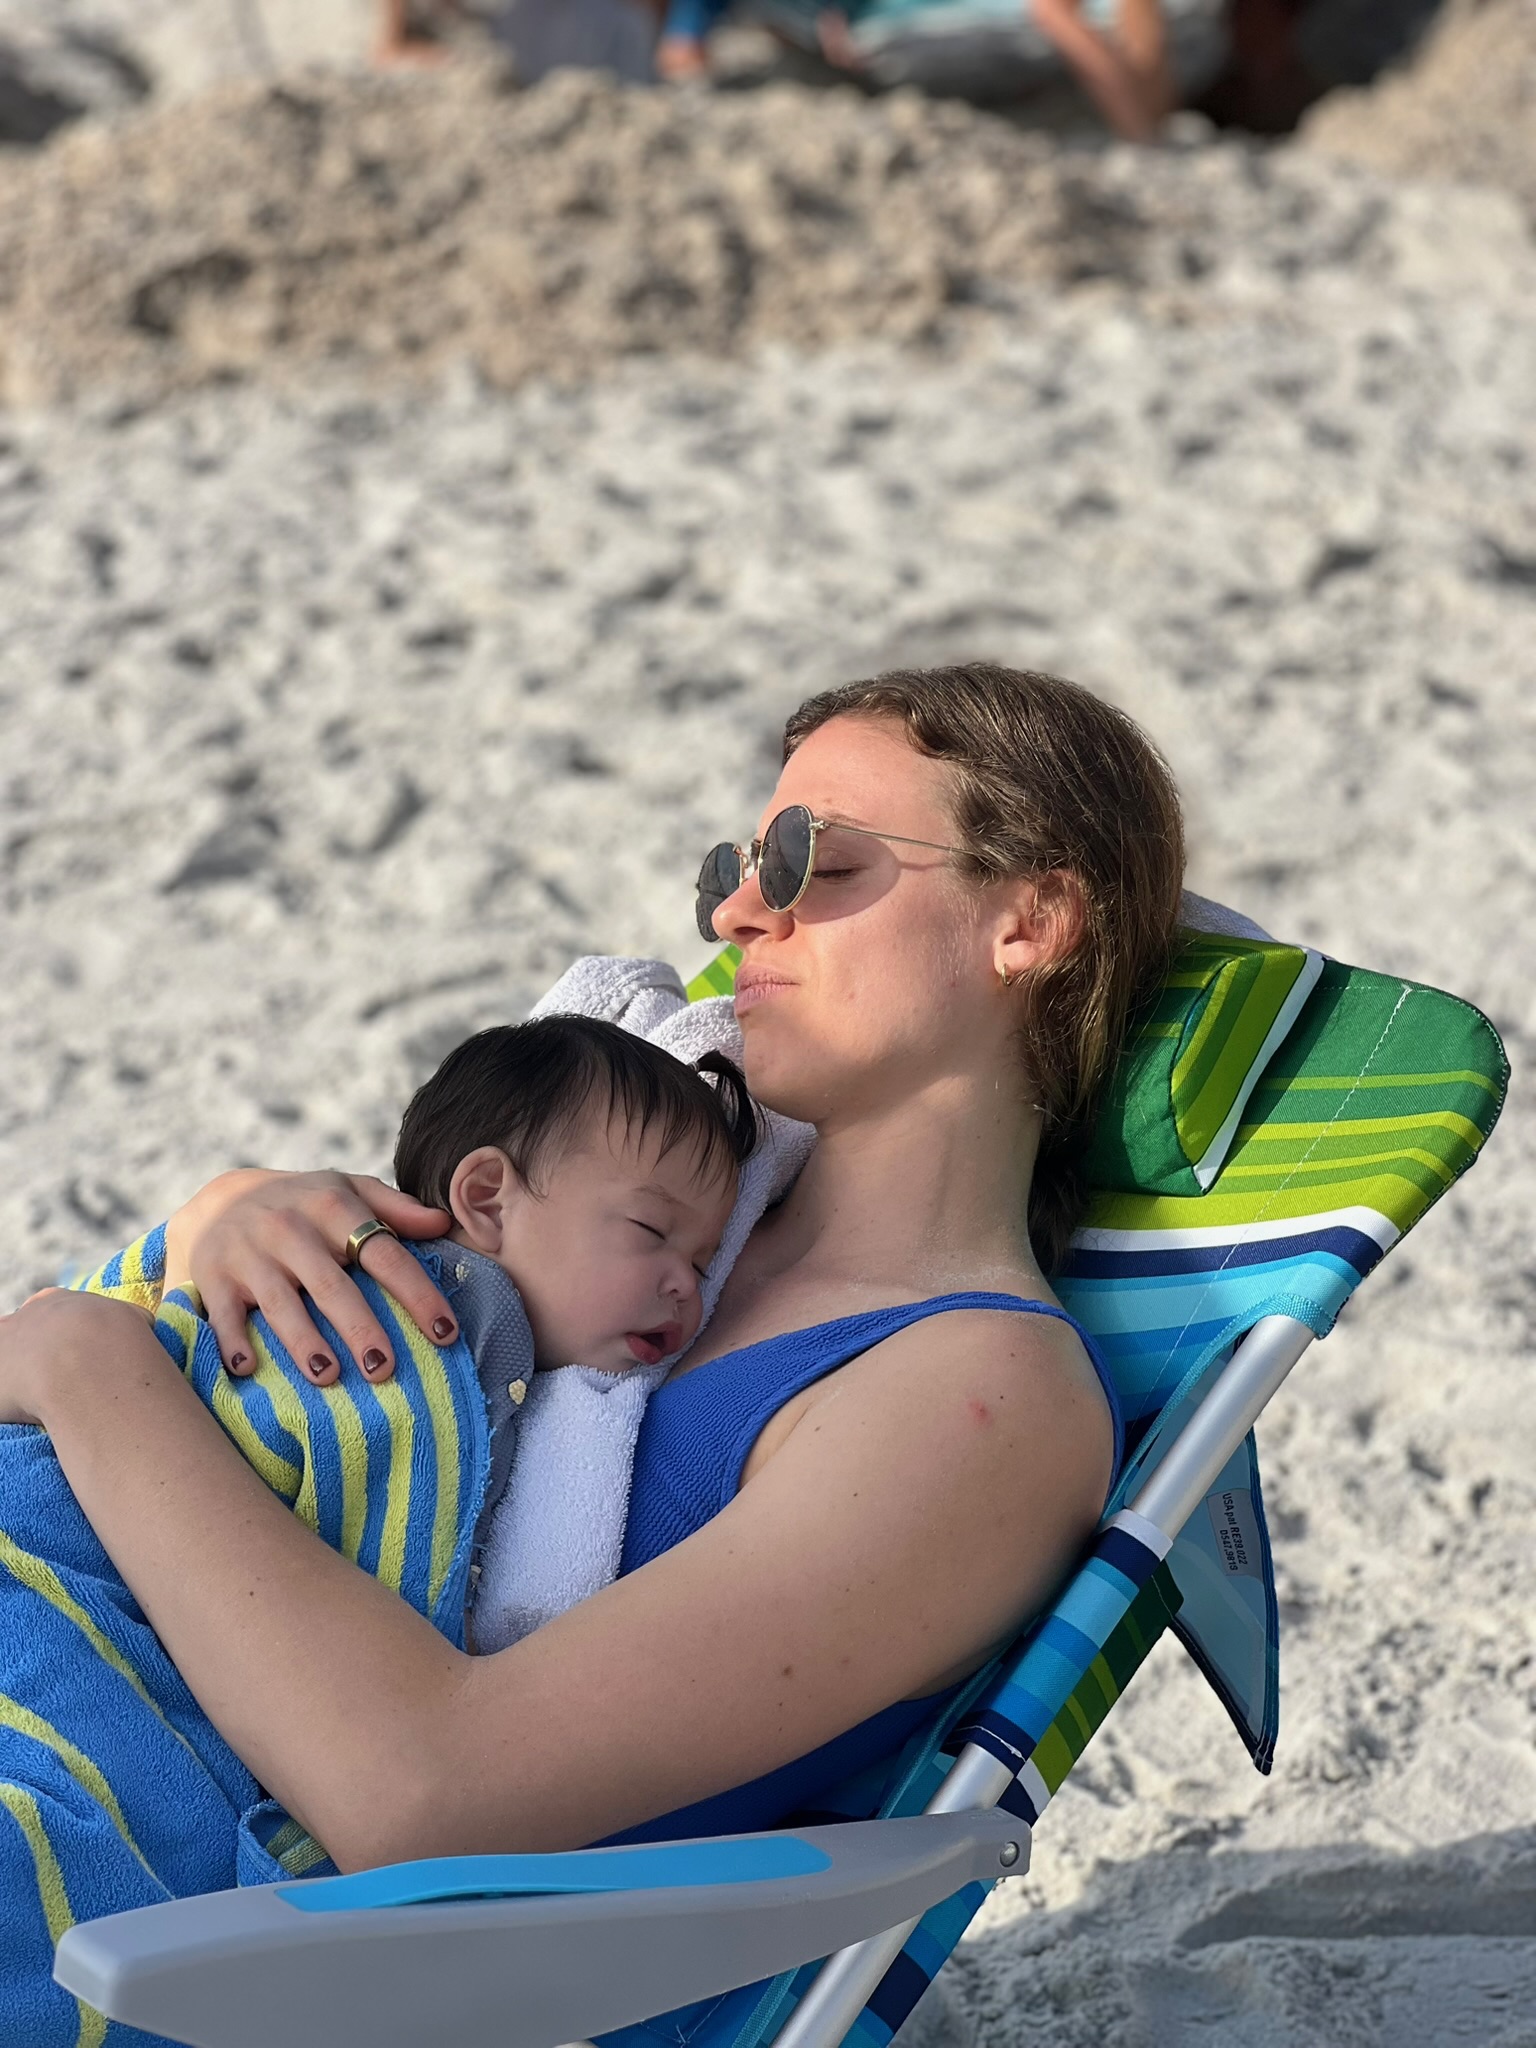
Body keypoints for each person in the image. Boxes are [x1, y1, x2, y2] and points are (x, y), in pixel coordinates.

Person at [0, 662, 1184, 1875]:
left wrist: (80, 1358)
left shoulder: (984, 1394)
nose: (736, 915)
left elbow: (423, 1795)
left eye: (811, 861)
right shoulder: (661, 1202)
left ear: (1030, 921)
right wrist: (234, 1214)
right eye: (734, 871)